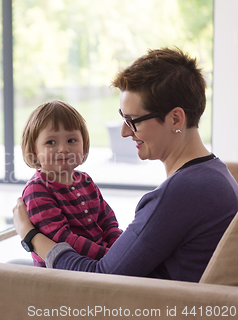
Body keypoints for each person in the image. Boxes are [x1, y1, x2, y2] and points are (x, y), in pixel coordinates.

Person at [12, 47, 238, 282]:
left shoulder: (182, 192)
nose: (123, 132)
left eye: (132, 121)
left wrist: (30, 236)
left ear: (175, 119)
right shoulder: (216, 173)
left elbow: (102, 279)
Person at [20, 100, 122, 267]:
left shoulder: (85, 180)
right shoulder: (37, 189)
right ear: (34, 152)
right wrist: (109, 256)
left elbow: (107, 220)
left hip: (100, 261)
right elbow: (61, 239)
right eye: (51, 142)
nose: (63, 149)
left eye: (71, 140)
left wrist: (119, 247)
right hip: (63, 272)